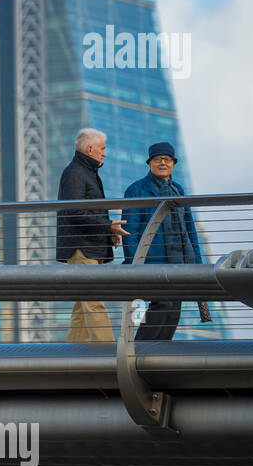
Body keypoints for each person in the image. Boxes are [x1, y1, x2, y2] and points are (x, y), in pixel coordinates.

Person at [121, 142, 207, 341]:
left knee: (173, 309)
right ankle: (140, 350)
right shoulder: (137, 190)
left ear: (173, 164)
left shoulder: (178, 190)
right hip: (151, 262)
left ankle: (158, 353)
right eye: (157, 159)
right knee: (163, 304)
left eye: (167, 159)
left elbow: (189, 229)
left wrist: (197, 265)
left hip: (179, 261)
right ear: (149, 163)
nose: (162, 163)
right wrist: (135, 264)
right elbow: (130, 231)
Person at [56, 128, 129, 342]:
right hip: (82, 248)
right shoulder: (76, 173)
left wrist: (109, 231)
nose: (104, 154)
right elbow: (75, 212)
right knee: (92, 301)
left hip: (87, 246)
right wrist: (108, 227)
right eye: (102, 148)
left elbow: (87, 212)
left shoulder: (85, 172)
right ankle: (109, 355)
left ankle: (69, 357)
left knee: (83, 304)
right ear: (90, 148)